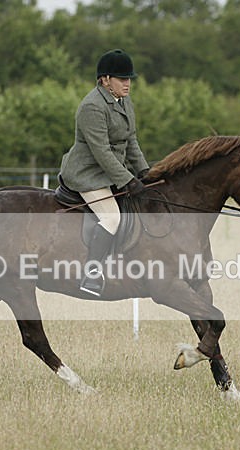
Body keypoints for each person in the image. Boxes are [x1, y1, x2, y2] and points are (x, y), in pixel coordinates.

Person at [59, 49, 150, 297]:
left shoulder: (124, 101)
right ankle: (91, 274)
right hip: (87, 175)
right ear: (105, 79)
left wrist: (144, 171)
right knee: (112, 218)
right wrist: (127, 180)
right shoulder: (92, 106)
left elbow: (131, 140)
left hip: (110, 173)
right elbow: (101, 152)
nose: (127, 83)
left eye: (129, 78)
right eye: (122, 79)